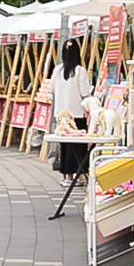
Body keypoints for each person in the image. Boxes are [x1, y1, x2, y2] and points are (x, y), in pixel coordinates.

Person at [47, 39, 96, 183]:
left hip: (61, 114)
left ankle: (65, 175)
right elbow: (85, 92)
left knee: (64, 146)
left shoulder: (57, 70)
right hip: (76, 114)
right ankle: (74, 176)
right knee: (77, 146)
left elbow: (52, 90)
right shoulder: (80, 70)